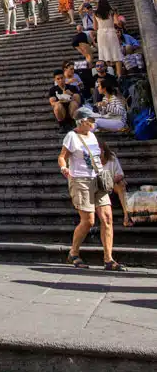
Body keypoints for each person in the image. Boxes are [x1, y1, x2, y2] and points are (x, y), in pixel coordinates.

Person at [58, 105, 126, 270]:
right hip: (80, 180)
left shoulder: (93, 136)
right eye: (91, 120)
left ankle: (108, 259)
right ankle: (73, 253)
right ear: (82, 121)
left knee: (107, 218)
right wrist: (64, 168)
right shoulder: (71, 136)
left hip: (98, 179)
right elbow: (62, 156)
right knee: (88, 221)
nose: (94, 122)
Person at [98, 140, 133, 227]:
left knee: (121, 184)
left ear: (104, 151)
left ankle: (127, 216)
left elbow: (120, 174)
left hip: (112, 189)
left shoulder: (112, 158)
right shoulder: (91, 162)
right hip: (99, 191)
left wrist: (110, 181)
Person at [94, 0, 123, 77]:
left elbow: (95, 27)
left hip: (101, 34)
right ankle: (119, 75)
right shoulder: (111, 12)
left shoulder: (96, 13)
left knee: (104, 53)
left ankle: (110, 74)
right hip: (111, 32)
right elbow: (117, 22)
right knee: (116, 53)